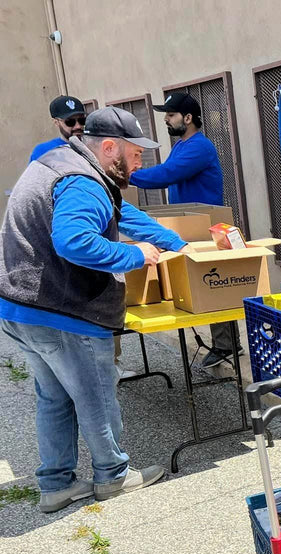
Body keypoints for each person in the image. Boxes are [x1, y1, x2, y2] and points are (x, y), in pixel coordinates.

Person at [0, 107, 187, 512]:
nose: (140, 163)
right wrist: (134, 254)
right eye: (136, 154)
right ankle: (113, 477)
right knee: (96, 397)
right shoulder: (83, 183)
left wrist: (176, 243)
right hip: (63, 310)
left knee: (54, 398)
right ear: (108, 147)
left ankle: (56, 484)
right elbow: (73, 241)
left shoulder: (63, 162)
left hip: (22, 307)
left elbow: (121, 212)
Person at [130, 92, 234, 369]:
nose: (166, 119)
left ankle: (226, 346)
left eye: (171, 114)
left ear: (188, 118)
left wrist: (125, 175)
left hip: (205, 227)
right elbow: (167, 170)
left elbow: (166, 175)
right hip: (190, 225)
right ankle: (223, 343)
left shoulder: (199, 147)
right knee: (200, 284)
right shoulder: (182, 145)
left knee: (213, 286)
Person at [29, 95, 86, 162]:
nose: (78, 126)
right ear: (56, 122)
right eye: (70, 122)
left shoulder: (94, 146)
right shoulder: (43, 152)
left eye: (82, 120)